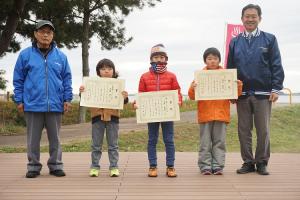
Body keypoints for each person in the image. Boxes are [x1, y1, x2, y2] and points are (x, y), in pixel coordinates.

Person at [227, 4, 285, 175]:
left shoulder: (270, 39)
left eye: (254, 16)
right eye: (247, 16)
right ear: (242, 19)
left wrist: (276, 88)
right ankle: (248, 162)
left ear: (260, 18)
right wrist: (231, 92)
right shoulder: (235, 41)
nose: (250, 19)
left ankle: (261, 162)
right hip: (242, 94)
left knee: (263, 130)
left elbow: (276, 64)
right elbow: (230, 68)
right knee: (243, 130)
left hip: (264, 93)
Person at [13, 20, 73, 178]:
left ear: (53, 35)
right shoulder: (25, 55)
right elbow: (18, 79)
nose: (46, 35)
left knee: (56, 138)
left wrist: (67, 99)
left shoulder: (61, 57)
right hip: (32, 104)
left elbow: (67, 79)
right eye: (42, 31)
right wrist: (19, 100)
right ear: (35, 34)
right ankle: (33, 166)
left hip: (55, 104)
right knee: (33, 139)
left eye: (49, 32)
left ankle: (55, 165)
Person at [188, 47, 242, 175]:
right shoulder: (199, 77)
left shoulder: (227, 75)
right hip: (205, 115)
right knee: (205, 142)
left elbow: (234, 97)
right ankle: (205, 166)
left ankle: (218, 166)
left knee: (219, 142)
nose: (212, 61)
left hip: (221, 115)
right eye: (209, 58)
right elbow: (191, 96)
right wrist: (192, 88)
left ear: (219, 60)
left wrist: (238, 86)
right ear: (205, 61)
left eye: (215, 58)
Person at [136, 44, 182, 177]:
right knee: (152, 140)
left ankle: (170, 166)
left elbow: (177, 92)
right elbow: (141, 94)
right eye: (156, 57)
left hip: (168, 113)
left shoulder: (172, 76)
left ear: (166, 59)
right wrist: (137, 104)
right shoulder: (144, 76)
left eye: (162, 57)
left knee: (169, 140)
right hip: (151, 114)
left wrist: (178, 100)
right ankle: (152, 166)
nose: (159, 60)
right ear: (151, 59)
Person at [80, 58, 128, 177]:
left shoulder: (118, 84)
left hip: (113, 118)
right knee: (96, 145)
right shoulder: (92, 84)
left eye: (109, 69)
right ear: (98, 72)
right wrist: (82, 92)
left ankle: (114, 167)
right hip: (97, 118)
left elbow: (124, 102)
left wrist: (125, 97)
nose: (106, 71)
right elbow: (86, 98)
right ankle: (95, 167)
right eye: (103, 69)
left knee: (113, 145)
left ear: (113, 71)